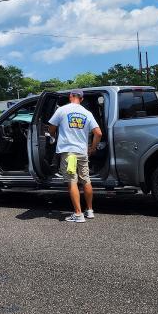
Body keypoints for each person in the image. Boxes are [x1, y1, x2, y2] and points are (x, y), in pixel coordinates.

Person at [48, 89, 102, 223]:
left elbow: (51, 128)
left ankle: (78, 214)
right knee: (86, 180)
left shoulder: (62, 110)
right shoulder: (87, 113)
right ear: (82, 99)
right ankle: (89, 211)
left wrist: (53, 136)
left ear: (70, 96)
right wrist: (92, 148)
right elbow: (98, 133)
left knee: (72, 181)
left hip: (69, 153)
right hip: (82, 152)